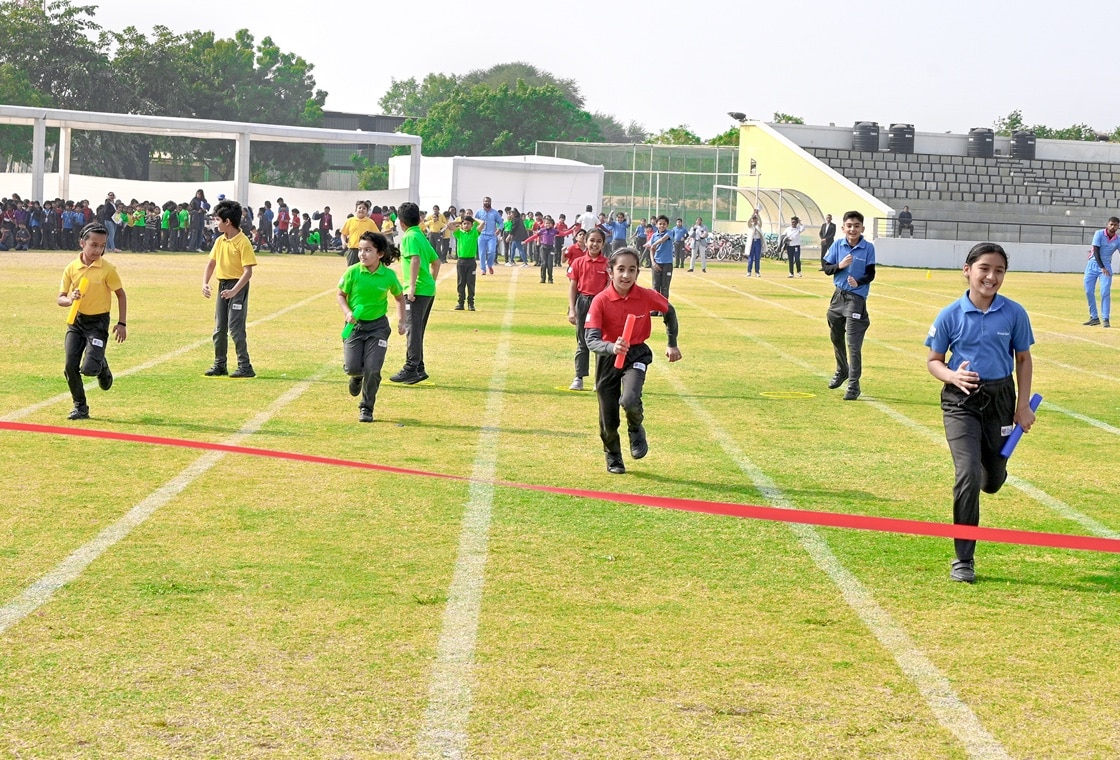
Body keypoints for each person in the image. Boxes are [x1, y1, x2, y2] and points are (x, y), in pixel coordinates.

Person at [925, 242, 1035, 583]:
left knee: (993, 479)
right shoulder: (949, 315)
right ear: (967, 270)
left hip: (1001, 400)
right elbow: (933, 361)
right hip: (961, 402)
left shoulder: (1014, 313)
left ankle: (995, 468)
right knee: (968, 473)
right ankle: (963, 559)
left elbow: (1023, 359)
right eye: (984, 268)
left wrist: (1022, 406)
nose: (991, 276)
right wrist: (953, 375)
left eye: (999, 270)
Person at [584, 247, 682, 474]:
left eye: (632, 270)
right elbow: (591, 340)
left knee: (629, 399)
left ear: (638, 272)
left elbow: (669, 312)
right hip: (608, 358)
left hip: (636, 354)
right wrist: (611, 347)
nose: (626, 275)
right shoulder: (600, 301)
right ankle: (614, 457)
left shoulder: (646, 296)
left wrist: (672, 342)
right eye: (621, 269)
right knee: (608, 419)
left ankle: (636, 428)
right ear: (610, 272)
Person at [56, 222, 127, 420]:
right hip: (76, 322)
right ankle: (80, 407)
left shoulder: (107, 269)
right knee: (70, 366)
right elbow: (60, 298)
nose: (98, 249)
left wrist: (122, 323)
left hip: (98, 323)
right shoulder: (71, 268)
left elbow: (121, 295)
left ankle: (101, 365)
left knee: (89, 369)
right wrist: (70, 299)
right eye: (94, 244)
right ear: (82, 243)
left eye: (102, 245)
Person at [338, 231, 407, 423]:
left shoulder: (388, 276)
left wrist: (402, 321)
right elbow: (340, 295)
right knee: (352, 367)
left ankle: (366, 408)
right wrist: (347, 312)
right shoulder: (353, 271)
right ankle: (356, 376)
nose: (362, 254)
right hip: (354, 327)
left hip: (378, 328)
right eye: (360, 250)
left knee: (373, 368)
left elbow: (400, 298)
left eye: (368, 250)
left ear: (380, 253)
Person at [822, 210, 875, 401]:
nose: (853, 229)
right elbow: (827, 268)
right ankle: (842, 369)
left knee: (853, 343)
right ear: (843, 228)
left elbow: (871, 274)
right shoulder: (838, 245)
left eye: (857, 226)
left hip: (856, 300)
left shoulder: (868, 248)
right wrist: (840, 266)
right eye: (849, 226)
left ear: (862, 228)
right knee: (835, 336)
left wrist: (859, 282)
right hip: (837, 298)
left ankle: (854, 385)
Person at [201, 199, 257, 378]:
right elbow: (211, 264)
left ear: (228, 222)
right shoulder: (219, 241)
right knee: (219, 328)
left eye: (218, 220)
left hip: (237, 286)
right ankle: (220, 364)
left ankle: (245, 366)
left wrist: (235, 291)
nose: (216, 223)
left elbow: (248, 272)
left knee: (235, 327)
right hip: (223, 286)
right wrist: (205, 283)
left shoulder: (243, 242)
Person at [390, 202, 440, 384]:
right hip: (426, 289)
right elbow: (436, 262)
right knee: (418, 329)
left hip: (417, 290)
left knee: (413, 328)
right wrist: (431, 283)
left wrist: (411, 286)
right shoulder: (420, 235)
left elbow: (415, 260)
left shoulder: (410, 237)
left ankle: (411, 367)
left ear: (401, 223)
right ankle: (419, 367)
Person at [567, 228, 611, 391]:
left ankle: (599, 379)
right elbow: (572, 287)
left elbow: (609, 286)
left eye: (599, 241)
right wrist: (572, 309)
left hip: (600, 304)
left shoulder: (607, 264)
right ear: (585, 241)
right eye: (591, 240)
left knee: (600, 341)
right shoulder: (578, 262)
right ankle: (579, 377)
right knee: (582, 341)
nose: (594, 244)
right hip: (583, 302)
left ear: (603, 244)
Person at [1082, 216, 1120, 327]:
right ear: (1107, 224)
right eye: (1111, 224)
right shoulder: (1099, 234)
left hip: (1106, 266)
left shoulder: (1117, 239)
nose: (1113, 227)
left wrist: (1104, 267)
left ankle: (1105, 318)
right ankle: (1094, 317)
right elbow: (1096, 252)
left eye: (1115, 225)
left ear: (1118, 226)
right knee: (1089, 291)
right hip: (1093, 264)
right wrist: (1101, 267)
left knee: (1105, 292)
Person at [452, 213, 480, 310]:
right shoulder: (459, 233)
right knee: (461, 282)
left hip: (471, 262)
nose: (466, 225)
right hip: (461, 262)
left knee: (470, 282)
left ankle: (471, 303)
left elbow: (483, 223)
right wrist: (460, 222)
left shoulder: (474, 233)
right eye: (464, 224)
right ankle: (460, 303)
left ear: (472, 225)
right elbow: (449, 225)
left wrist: (473, 219)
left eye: (468, 223)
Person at [341, 201, 380, 267]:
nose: (361, 210)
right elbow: (343, 234)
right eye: (360, 208)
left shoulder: (370, 222)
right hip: (353, 250)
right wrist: (343, 242)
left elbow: (377, 235)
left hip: (366, 250)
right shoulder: (350, 221)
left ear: (367, 211)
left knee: (365, 269)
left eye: (364, 208)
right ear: (356, 210)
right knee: (351, 270)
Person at [648, 215, 675, 301]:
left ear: (667, 225)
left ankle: (663, 308)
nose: (662, 226)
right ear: (656, 225)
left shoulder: (669, 233)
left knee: (665, 287)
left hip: (667, 263)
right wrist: (653, 263)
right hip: (657, 263)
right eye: (660, 224)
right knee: (656, 286)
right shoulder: (654, 236)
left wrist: (654, 244)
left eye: (664, 224)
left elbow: (664, 239)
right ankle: (655, 308)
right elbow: (651, 250)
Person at [475, 196, 503, 275]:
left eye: (488, 201)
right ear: (483, 202)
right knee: (482, 253)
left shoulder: (494, 212)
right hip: (481, 235)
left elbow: (501, 222)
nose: (487, 203)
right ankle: (483, 269)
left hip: (491, 236)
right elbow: (474, 222)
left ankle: (489, 265)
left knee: (492, 251)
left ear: (491, 202)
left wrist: (499, 229)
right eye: (485, 201)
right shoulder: (479, 212)